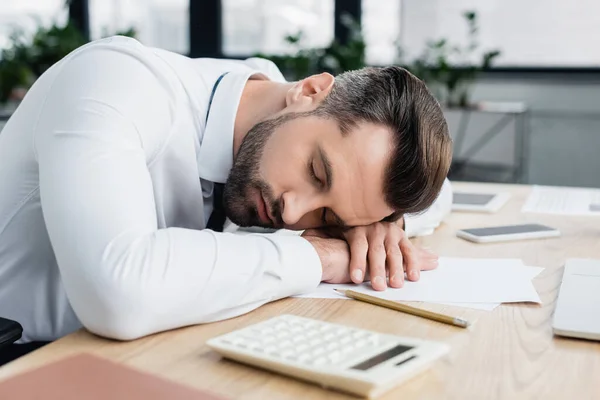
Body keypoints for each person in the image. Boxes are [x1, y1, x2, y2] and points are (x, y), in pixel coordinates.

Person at [0, 36, 453, 348]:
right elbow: (115, 295)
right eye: (317, 172)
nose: (294, 213)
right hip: (24, 357)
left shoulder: (280, 114)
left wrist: (381, 223)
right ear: (310, 91)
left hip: (132, 353)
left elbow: (444, 195)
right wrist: (317, 255)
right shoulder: (114, 82)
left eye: (329, 218)